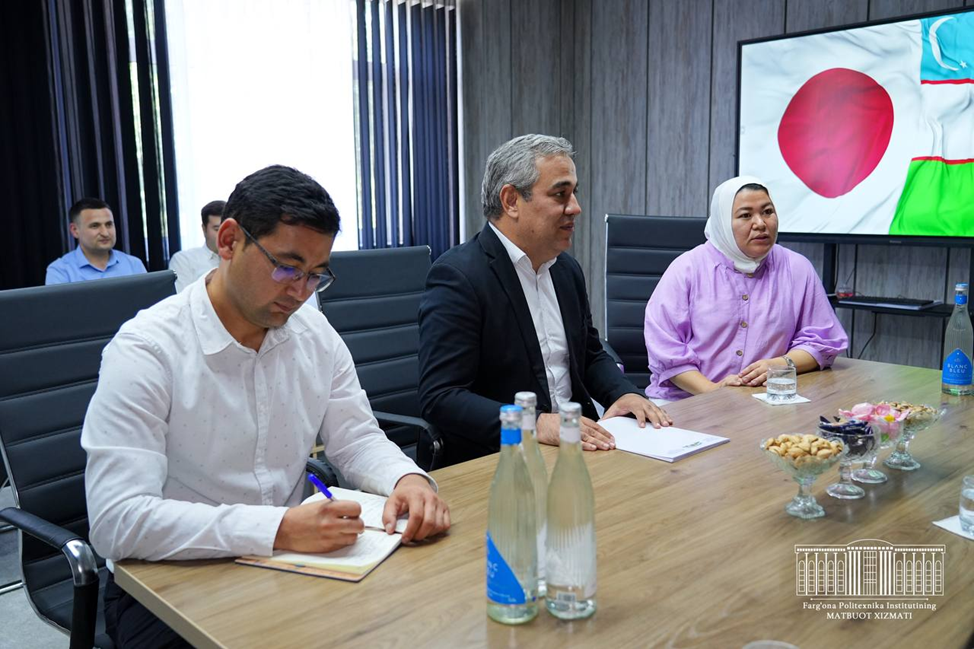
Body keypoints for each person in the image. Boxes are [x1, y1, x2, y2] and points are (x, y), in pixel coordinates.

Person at [82, 165, 450, 648]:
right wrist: (277, 529)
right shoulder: (147, 351)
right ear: (229, 241)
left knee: (421, 617)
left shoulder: (314, 335)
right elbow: (118, 521)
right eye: (287, 268)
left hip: (296, 559)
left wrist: (406, 480)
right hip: (170, 581)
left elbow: (357, 438)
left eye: (316, 276)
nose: (300, 292)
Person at [418, 134, 672, 465]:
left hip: (579, 447)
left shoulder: (565, 269)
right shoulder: (459, 277)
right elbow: (441, 398)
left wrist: (623, 393)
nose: (575, 207)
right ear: (511, 200)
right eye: (560, 194)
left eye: (574, 193)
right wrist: (534, 424)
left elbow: (589, 354)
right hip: (501, 459)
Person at [643, 175, 849, 402]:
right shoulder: (687, 269)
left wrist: (780, 364)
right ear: (722, 222)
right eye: (745, 215)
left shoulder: (796, 268)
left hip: (762, 401)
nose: (760, 223)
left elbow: (822, 341)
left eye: (767, 212)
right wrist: (713, 391)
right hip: (686, 402)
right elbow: (666, 350)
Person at [45, 198, 146, 284]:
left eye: (109, 224)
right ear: (75, 230)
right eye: (95, 226)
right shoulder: (60, 271)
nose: (105, 233)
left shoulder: (134, 265)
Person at [169, 199, 224, 292]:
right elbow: (181, 297)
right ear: (204, 229)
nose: (223, 234)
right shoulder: (184, 260)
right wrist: (204, 283)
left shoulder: (240, 258)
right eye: (217, 229)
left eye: (227, 228)